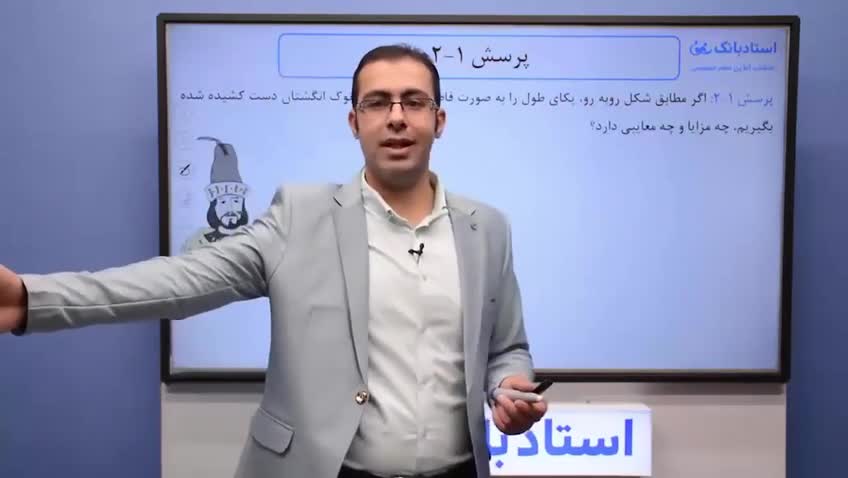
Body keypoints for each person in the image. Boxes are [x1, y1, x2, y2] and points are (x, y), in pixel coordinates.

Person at [0, 44, 547, 478]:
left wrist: (509, 387)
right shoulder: (299, 217)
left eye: (414, 102)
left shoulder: (486, 228)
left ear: (439, 119)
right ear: (354, 122)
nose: (396, 117)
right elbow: (179, 281)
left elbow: (507, 348)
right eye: (378, 103)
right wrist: (29, 298)